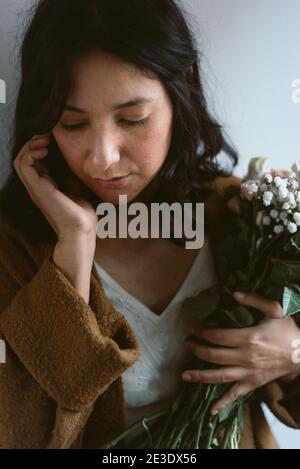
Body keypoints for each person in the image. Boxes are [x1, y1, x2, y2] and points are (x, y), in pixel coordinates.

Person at [0, 0, 299, 449]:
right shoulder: (15, 246)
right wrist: (73, 255)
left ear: (182, 88)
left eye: (132, 119)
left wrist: (293, 354)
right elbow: (25, 430)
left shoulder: (236, 212)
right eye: (73, 122)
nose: (102, 157)